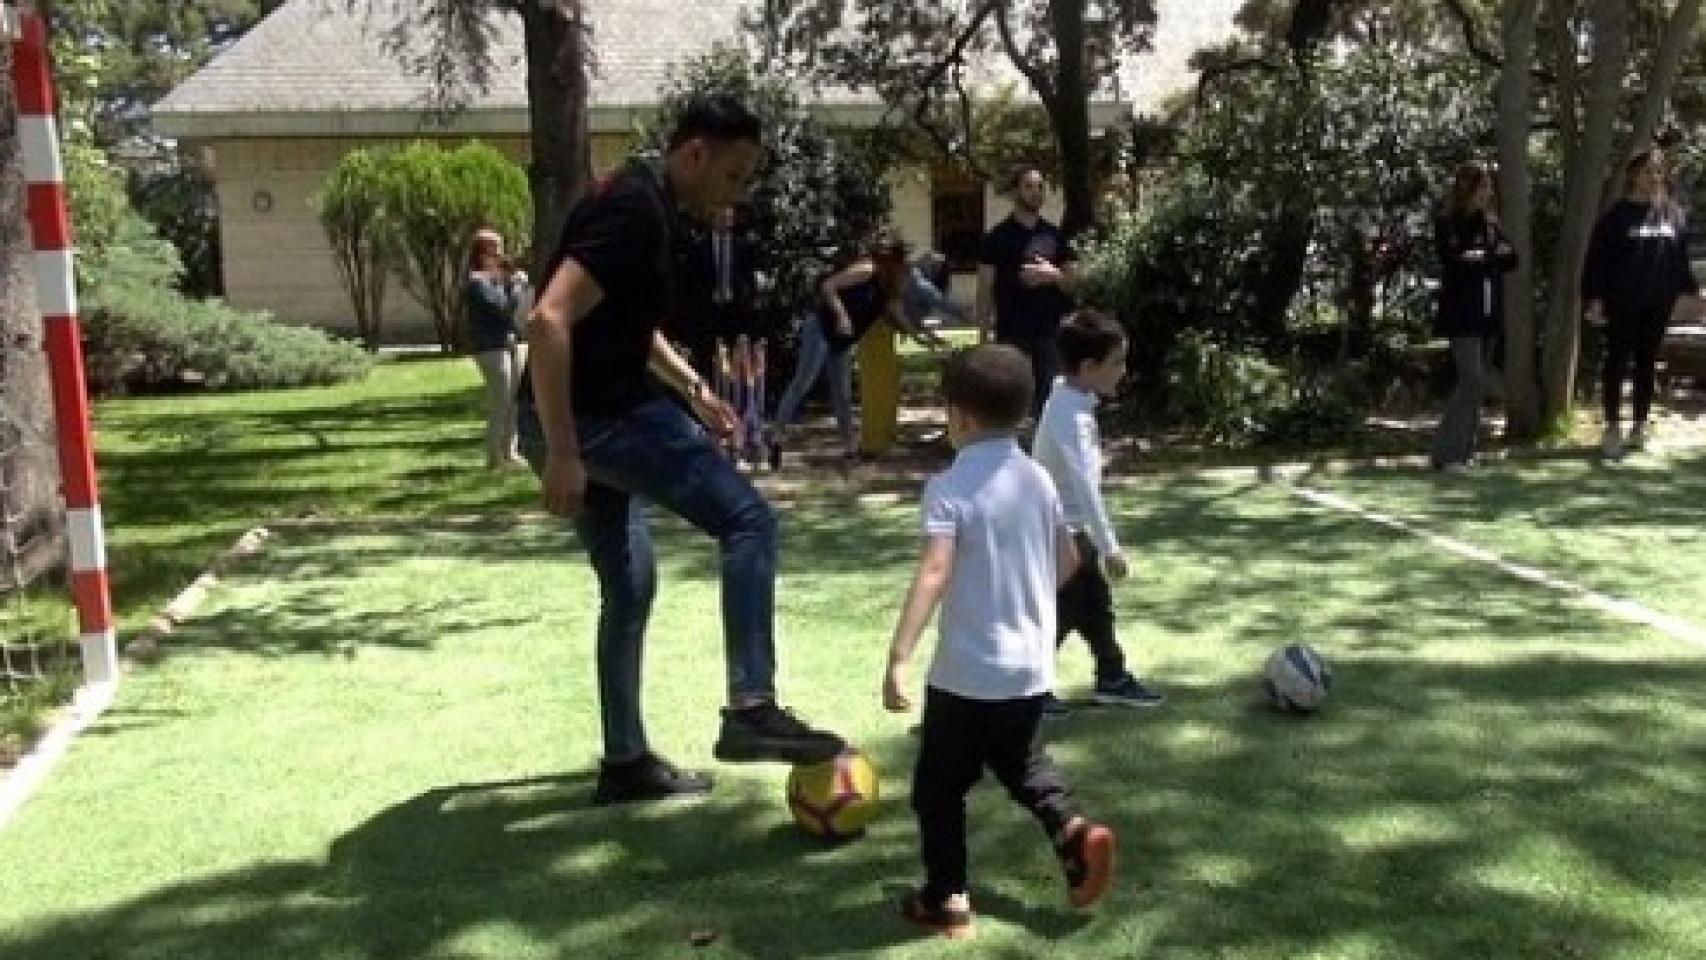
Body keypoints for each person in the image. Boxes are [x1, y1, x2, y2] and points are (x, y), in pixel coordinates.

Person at [516, 95, 844, 807]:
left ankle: (625, 761)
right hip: (593, 418)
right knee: (749, 520)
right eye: (733, 175)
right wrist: (566, 450)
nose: (738, 192)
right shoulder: (635, 209)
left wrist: (694, 388)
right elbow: (547, 321)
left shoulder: (644, 202)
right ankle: (752, 706)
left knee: (629, 586)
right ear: (694, 154)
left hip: (587, 412)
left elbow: (625, 326)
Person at [882, 344, 1117, 940]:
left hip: (965, 672)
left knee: (937, 787)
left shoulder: (949, 486)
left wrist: (899, 657)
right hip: (1028, 669)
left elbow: (935, 572)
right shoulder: (1036, 479)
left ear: (957, 416)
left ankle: (946, 897)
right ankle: (1071, 830)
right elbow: (1067, 562)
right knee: (1020, 763)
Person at [1033, 310, 1164, 710]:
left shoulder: (1067, 398)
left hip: (1061, 529)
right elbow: (1085, 489)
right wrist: (1110, 547)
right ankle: (1030, 689)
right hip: (1065, 532)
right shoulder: (1072, 417)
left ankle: (1110, 674)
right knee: (1067, 610)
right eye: (1117, 363)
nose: (1123, 372)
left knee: (1092, 607)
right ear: (1088, 367)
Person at [769, 230, 942, 468]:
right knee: (803, 382)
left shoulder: (890, 286)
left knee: (842, 393)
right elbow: (828, 286)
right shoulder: (866, 270)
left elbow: (899, 317)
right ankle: (777, 438)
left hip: (842, 339)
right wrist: (841, 316)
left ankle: (850, 448)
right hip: (821, 327)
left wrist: (924, 338)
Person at [1584, 147, 1703, 459]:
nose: (1654, 177)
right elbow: (1597, 262)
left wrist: (1695, 293)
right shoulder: (1615, 218)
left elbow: (1679, 261)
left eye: (1658, 171)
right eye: (1648, 171)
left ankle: (1639, 425)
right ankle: (1612, 427)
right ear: (1634, 175)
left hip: (1657, 304)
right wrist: (1595, 299)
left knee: (1647, 363)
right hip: (1622, 303)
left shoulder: (1672, 215)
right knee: (1617, 361)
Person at [1431, 162, 1518, 472]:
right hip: (1461, 312)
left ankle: (1464, 451)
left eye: (1489, 187)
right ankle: (1446, 452)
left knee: (1476, 385)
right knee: (1470, 378)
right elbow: (1454, 260)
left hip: (1487, 311)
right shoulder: (1449, 222)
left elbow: (1511, 259)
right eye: (1482, 187)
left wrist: (1484, 256)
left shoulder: (1490, 224)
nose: (1488, 193)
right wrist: (1481, 258)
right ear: (1467, 189)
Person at [976, 164, 1078, 417]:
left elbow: (1073, 282)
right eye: (1029, 186)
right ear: (1015, 192)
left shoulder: (1055, 236)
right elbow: (985, 288)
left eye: (1040, 187)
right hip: (1012, 333)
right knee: (1013, 403)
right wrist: (982, 335)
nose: (1036, 192)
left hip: (1049, 333)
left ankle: (1043, 454)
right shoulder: (995, 238)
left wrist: (1052, 275)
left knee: (1049, 401)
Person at [858, 252, 970, 458]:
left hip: (881, 332)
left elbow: (912, 320)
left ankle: (884, 438)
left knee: (888, 386)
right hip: (874, 332)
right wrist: (970, 316)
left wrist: (931, 339)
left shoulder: (909, 281)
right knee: (879, 388)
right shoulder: (917, 282)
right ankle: (874, 444)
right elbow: (937, 302)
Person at [465, 228, 530, 469]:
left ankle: (509, 452)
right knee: (500, 400)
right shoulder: (477, 282)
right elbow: (503, 308)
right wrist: (516, 286)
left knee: (515, 400)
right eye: (496, 248)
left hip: (509, 344)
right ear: (483, 252)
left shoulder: (495, 278)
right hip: (490, 348)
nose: (501, 252)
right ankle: (494, 456)